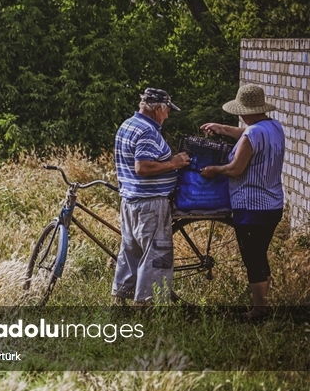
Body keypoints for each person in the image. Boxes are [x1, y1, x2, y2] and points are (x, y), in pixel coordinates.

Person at [199, 84, 285, 320]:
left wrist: (214, 169)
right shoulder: (273, 127)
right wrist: (223, 129)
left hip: (251, 207)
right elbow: (247, 135)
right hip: (273, 204)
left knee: (253, 257)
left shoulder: (252, 133)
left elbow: (236, 168)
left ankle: (259, 311)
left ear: (245, 111)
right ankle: (263, 303)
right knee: (260, 253)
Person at [112, 88, 191, 304]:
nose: (167, 116)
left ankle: (121, 300)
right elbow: (142, 166)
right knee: (155, 255)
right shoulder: (148, 131)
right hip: (150, 204)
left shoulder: (128, 124)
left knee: (130, 252)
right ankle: (147, 306)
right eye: (167, 111)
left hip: (130, 201)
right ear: (158, 109)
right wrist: (174, 163)